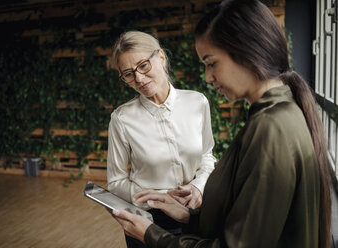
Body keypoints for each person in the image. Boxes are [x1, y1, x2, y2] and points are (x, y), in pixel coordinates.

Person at [111, 1, 336, 247]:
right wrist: (190, 216)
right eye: (128, 74)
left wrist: (151, 235)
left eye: (211, 62)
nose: (207, 77)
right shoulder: (276, 116)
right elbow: (248, 222)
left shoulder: (271, 128)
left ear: (246, 52)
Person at [107, 30, 216, 247]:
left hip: (195, 216)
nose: (138, 78)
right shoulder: (121, 118)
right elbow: (116, 181)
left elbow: (207, 156)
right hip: (147, 223)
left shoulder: (198, 102)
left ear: (161, 58)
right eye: (128, 74)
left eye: (143, 65)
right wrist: (157, 197)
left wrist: (197, 187)